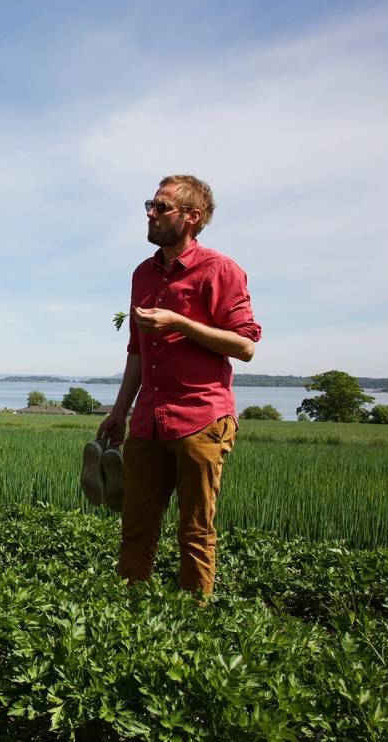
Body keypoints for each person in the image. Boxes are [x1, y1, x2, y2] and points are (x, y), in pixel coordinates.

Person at [98, 175, 261, 595]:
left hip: (201, 420)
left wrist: (179, 323)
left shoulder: (220, 270)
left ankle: (198, 628)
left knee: (195, 531)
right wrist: (119, 412)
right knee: (136, 527)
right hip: (148, 421)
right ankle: (127, 617)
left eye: (161, 207)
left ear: (192, 217)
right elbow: (137, 351)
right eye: (149, 205)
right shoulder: (143, 274)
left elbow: (245, 346)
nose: (150, 214)